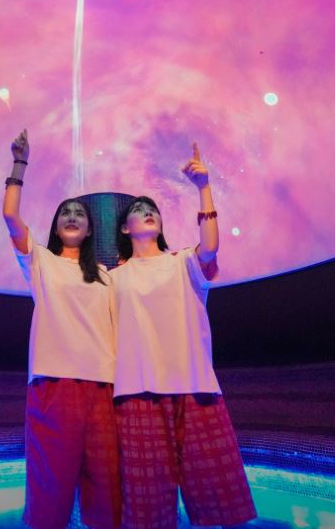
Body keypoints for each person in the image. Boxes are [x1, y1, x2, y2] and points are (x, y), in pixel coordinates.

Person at [110, 143, 257, 529]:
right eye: (139, 210)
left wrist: (203, 187)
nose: (148, 212)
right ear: (125, 228)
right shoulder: (112, 278)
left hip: (194, 388)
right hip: (136, 393)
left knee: (218, 501)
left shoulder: (183, 263)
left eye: (153, 209)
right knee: (147, 508)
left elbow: (210, 246)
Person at [3, 129, 121, 529]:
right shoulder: (41, 262)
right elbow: (10, 217)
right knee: (50, 486)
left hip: (104, 386)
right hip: (53, 383)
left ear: (88, 230)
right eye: (65, 212)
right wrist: (20, 164)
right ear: (56, 227)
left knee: (106, 485)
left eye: (79, 214)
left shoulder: (106, 275)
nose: (72, 216)